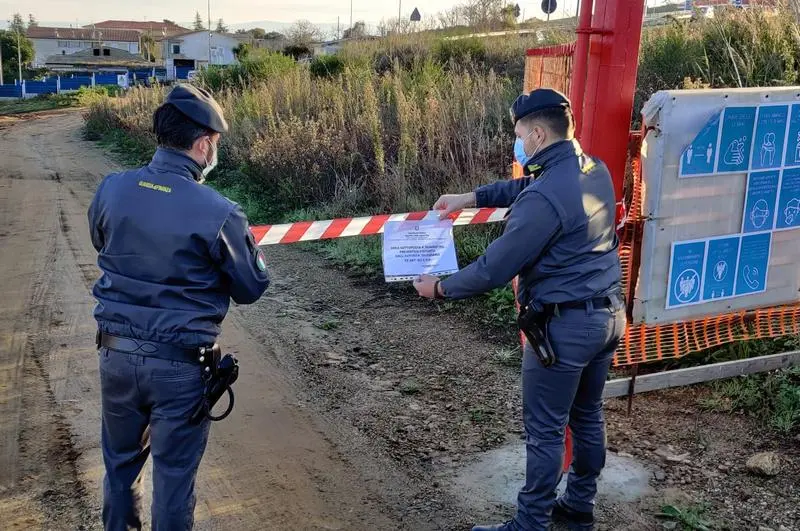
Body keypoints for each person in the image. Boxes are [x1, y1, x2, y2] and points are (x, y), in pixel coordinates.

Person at [414, 88, 625, 531]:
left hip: (562, 327)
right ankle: (579, 507)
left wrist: (439, 288)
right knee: (587, 414)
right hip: (607, 316)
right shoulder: (592, 169)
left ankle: (530, 524)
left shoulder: (545, 198)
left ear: (536, 133)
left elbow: (495, 267)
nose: (518, 144)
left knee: (546, 430)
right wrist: (470, 197)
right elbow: (529, 185)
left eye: (519, 136)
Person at [88, 84, 270, 530]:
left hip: (115, 357)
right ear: (204, 142)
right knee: (173, 477)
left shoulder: (112, 189)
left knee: (120, 467)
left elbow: (101, 241)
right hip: (178, 368)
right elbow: (250, 286)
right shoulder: (220, 211)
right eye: (216, 144)